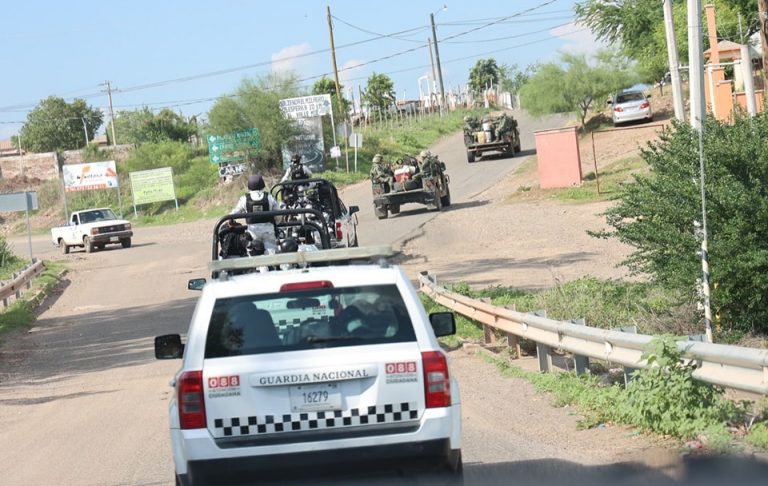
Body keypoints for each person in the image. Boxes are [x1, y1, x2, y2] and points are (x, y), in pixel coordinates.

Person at [230, 174, 280, 255]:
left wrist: (230, 220)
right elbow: (278, 215)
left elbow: (234, 213)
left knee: (253, 255)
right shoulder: (269, 197)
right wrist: (276, 223)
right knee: (271, 254)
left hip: (253, 232)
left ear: (249, 185)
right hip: (268, 231)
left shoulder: (244, 199)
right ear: (262, 184)